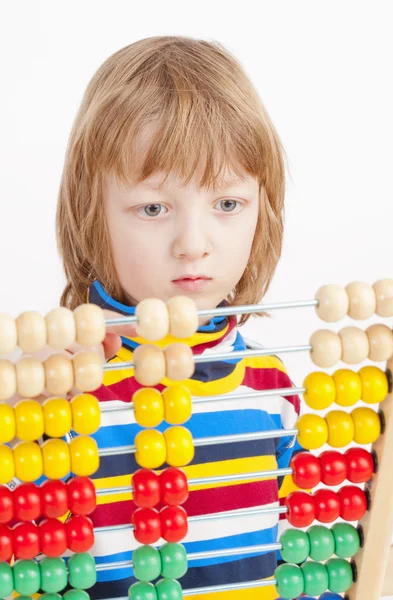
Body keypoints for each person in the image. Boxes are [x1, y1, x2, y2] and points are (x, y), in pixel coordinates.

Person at [55, 35, 302, 599]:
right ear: (91, 215)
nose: (194, 244)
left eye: (227, 204)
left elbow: (298, 548)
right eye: (153, 208)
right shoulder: (62, 394)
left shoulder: (271, 388)